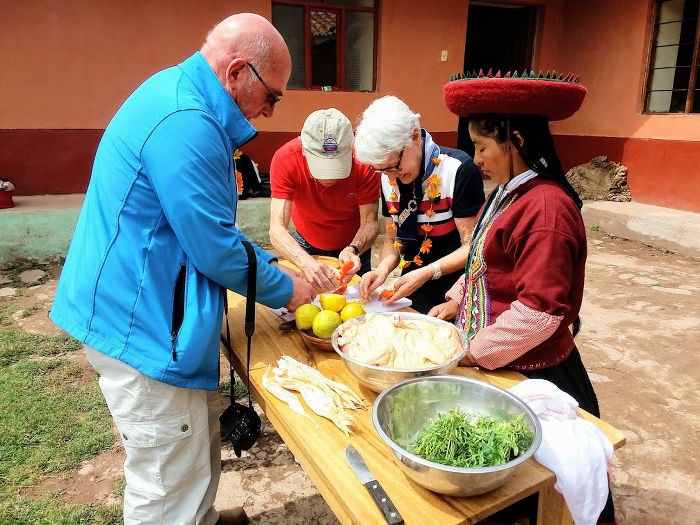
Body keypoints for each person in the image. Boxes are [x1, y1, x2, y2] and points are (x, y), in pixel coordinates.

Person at [49, 13, 315, 525]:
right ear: (238, 71)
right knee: (165, 478)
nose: (269, 110)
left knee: (189, 447)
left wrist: (268, 265)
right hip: (143, 321)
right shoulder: (188, 121)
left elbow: (210, 230)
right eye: (273, 96)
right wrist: (290, 288)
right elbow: (214, 250)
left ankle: (203, 518)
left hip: (141, 304)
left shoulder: (178, 94)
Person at [433, 70, 616, 525]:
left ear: (515, 139)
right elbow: (485, 262)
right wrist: (457, 300)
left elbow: (539, 313)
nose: (475, 160)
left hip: (538, 369)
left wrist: (470, 352)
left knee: (540, 488)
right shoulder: (510, 195)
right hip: (504, 356)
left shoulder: (547, 209)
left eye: (482, 147)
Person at [353, 95, 485, 314]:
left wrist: (427, 272)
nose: (390, 175)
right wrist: (383, 269)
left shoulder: (457, 170)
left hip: (453, 293)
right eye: (382, 169)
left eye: (394, 166)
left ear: (414, 136)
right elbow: (392, 239)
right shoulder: (388, 177)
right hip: (409, 288)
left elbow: (471, 247)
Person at [269, 108, 380, 293]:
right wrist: (305, 262)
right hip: (304, 246)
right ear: (304, 150)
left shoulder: (364, 163)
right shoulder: (286, 159)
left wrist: (353, 249)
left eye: (337, 165)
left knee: (360, 305)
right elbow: (276, 228)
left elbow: (370, 222)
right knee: (307, 303)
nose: (329, 178)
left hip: (354, 246)